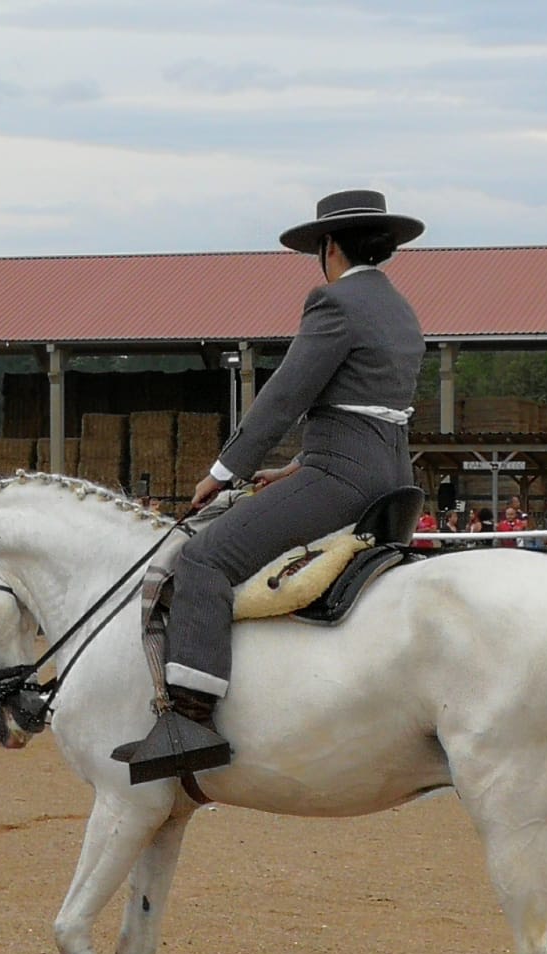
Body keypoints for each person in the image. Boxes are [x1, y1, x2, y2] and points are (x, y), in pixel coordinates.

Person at [117, 189, 426, 780]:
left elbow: (285, 397)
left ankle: (190, 719)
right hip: (391, 474)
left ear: (329, 247)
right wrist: (291, 469)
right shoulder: (400, 307)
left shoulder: (333, 302)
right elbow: (366, 407)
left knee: (202, 560)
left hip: (342, 476)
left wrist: (222, 471)